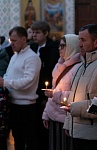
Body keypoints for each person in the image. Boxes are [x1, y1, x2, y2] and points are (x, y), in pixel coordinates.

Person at [0, 26, 41, 150]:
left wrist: (5, 82)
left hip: (26, 106)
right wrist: (5, 81)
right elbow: (8, 74)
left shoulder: (32, 57)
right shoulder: (15, 56)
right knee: (17, 138)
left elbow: (28, 81)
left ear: (24, 39)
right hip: (13, 103)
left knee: (29, 139)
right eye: (11, 40)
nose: (11, 43)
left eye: (14, 40)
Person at [42, 34, 81, 150]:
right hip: (53, 115)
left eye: (63, 46)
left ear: (72, 47)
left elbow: (76, 96)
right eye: (59, 45)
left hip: (66, 118)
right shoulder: (59, 65)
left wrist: (55, 94)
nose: (59, 48)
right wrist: (46, 113)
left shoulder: (78, 67)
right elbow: (53, 89)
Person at [30, 20, 60, 150]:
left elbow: (49, 72)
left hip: (45, 90)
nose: (34, 35)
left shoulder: (53, 49)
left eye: (37, 33)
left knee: (44, 127)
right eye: (33, 32)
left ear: (46, 33)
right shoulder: (32, 47)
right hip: (33, 90)